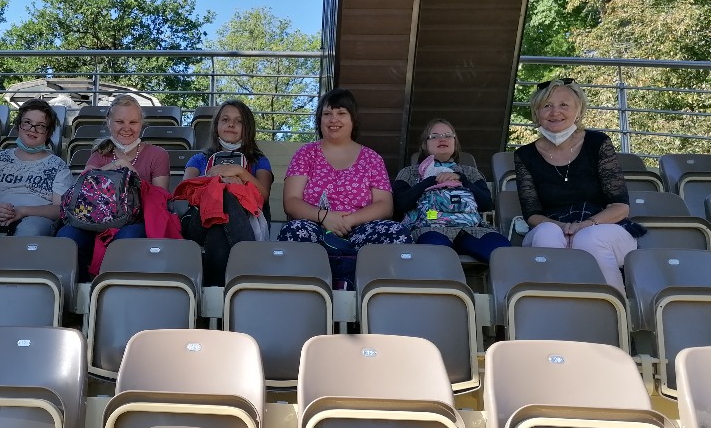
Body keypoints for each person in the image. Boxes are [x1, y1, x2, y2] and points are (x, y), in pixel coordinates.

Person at [514, 78, 639, 292]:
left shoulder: (597, 143)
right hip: (556, 226)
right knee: (546, 233)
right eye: (547, 105)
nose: (555, 112)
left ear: (578, 111)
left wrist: (585, 225)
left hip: (603, 227)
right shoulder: (524, 155)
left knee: (589, 239)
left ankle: (614, 304)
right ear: (536, 113)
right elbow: (532, 214)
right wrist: (563, 228)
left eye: (564, 105)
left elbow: (620, 207)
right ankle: (555, 302)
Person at [278, 88, 410, 287]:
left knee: (396, 232)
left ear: (353, 119)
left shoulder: (372, 158)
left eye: (341, 113)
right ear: (319, 119)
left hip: (360, 229)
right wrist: (325, 217)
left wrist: (348, 221)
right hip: (316, 228)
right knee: (293, 231)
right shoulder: (305, 154)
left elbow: (385, 205)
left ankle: (372, 296)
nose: (333, 119)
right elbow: (291, 201)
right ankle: (308, 295)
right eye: (327, 114)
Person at [0, 99, 73, 272]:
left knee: (29, 231)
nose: (33, 129)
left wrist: (23, 211)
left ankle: (14, 280)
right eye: (27, 123)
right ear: (18, 125)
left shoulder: (58, 165)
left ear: (48, 133)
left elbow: (59, 209)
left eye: (40, 126)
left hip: (35, 217)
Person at [56, 95, 171, 274]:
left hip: (136, 220)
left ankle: (114, 287)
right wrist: (112, 168)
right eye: (119, 122)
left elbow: (160, 200)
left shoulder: (158, 154)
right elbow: (83, 189)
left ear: (141, 124)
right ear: (109, 123)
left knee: (125, 239)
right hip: (95, 219)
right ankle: (80, 286)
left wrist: (131, 172)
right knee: (67, 237)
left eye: (133, 122)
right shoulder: (100, 154)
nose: (126, 128)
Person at [177, 100, 273, 286]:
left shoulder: (259, 161)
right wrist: (218, 182)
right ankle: (250, 270)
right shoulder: (199, 159)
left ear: (248, 128)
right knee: (223, 195)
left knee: (218, 228)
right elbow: (186, 191)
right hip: (198, 222)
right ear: (216, 126)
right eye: (225, 119)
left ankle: (214, 294)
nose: (231, 124)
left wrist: (240, 172)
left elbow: (264, 196)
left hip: (245, 221)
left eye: (239, 121)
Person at [393, 118, 510, 262]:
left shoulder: (470, 172)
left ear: (455, 142)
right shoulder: (410, 173)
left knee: (502, 252)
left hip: (472, 229)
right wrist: (430, 181)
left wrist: (463, 180)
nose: (442, 139)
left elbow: (486, 204)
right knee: (436, 255)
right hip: (430, 228)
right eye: (434, 136)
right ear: (424, 144)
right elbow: (399, 206)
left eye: (448, 135)